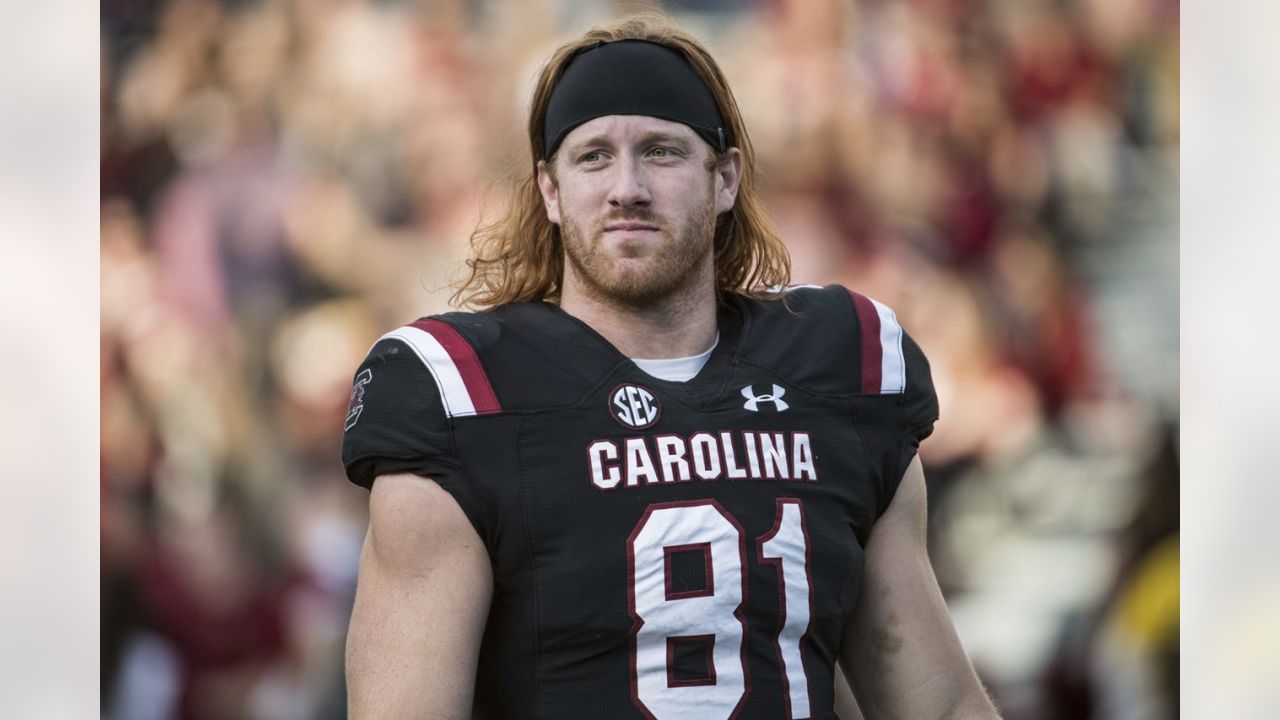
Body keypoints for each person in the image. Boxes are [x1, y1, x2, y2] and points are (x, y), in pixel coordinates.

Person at [341, 14, 1000, 720]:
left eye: (661, 152)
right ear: (550, 192)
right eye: (593, 156)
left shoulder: (836, 369)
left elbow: (941, 703)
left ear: (725, 179)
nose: (627, 187)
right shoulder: (462, 395)